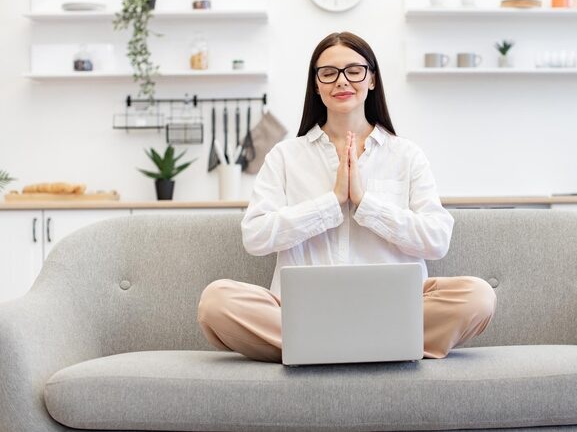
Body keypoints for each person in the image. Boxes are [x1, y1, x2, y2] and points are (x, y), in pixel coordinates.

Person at [197, 31, 496, 363]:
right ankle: (379, 346)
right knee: (216, 302)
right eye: (329, 73)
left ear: (371, 79)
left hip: (391, 307)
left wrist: (366, 204)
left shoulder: (407, 155)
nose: (342, 81)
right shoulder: (284, 157)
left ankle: (322, 347)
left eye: (354, 70)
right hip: (304, 311)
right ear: (316, 85)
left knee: (478, 297)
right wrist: (332, 201)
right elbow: (255, 236)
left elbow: (437, 240)